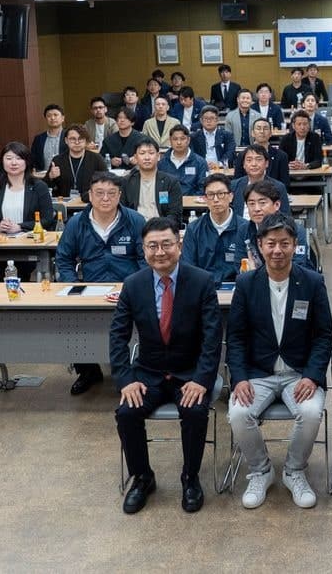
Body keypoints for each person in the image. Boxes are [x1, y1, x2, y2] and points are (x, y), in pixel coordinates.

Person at [111, 216, 222, 515]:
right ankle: (143, 477)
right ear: (144, 249)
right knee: (126, 413)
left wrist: (202, 379)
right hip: (148, 373)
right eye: (152, 246)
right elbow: (118, 336)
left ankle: (190, 477)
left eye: (166, 244)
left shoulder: (201, 281)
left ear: (179, 246)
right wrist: (126, 380)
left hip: (190, 373)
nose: (160, 252)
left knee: (196, 411)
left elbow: (213, 338)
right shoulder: (133, 285)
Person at [227, 213, 332, 509]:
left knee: (311, 412)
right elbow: (235, 337)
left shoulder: (312, 282)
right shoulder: (246, 283)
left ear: (294, 245)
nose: (277, 250)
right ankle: (261, 471)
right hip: (257, 373)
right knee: (237, 414)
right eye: (270, 243)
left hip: (299, 374)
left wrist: (312, 376)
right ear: (259, 245)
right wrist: (240, 378)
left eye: (284, 243)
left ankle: (294, 470)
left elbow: (324, 335)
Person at [56, 172, 146, 395]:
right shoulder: (77, 223)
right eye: (100, 193)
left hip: (128, 287)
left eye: (111, 193)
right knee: (75, 324)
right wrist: (72, 286)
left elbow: (146, 259)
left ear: (119, 196)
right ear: (90, 195)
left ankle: (133, 371)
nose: (105, 198)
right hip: (89, 287)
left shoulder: (135, 220)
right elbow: (64, 258)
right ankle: (87, 371)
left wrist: (140, 287)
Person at [181, 173, 246, 287]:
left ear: (231, 196)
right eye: (210, 195)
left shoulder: (245, 228)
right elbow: (188, 267)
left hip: (236, 287)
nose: (216, 200)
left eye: (221, 194)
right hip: (202, 287)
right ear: (205, 199)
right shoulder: (194, 229)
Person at [235, 180, 313, 271]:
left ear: (276, 205)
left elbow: (298, 266)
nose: (256, 209)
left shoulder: (295, 230)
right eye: (251, 204)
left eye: (262, 203)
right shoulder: (244, 230)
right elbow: (239, 265)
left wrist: (255, 274)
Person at [121, 137, 182, 225]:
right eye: (142, 153)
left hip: (162, 229)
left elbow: (175, 214)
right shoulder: (126, 182)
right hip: (135, 228)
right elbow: (122, 212)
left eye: (151, 153)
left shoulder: (170, 182)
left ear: (158, 156)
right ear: (135, 157)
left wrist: (161, 228)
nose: (147, 157)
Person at [0, 141, 55, 235]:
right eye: (9, 158)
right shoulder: (0, 186)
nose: (14, 163)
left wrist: (20, 226)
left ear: (27, 162)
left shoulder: (39, 187)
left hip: (31, 242)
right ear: (2, 161)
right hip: (2, 242)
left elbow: (48, 219)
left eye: (19, 158)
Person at [47, 124, 107, 200]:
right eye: (73, 139)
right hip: (64, 205)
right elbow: (45, 186)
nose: (77, 142)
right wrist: (50, 177)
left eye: (80, 138)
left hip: (90, 203)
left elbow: (107, 182)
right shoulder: (57, 160)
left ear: (86, 141)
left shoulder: (96, 159)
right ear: (66, 140)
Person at [231, 145, 290, 217]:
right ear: (244, 165)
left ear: (266, 163)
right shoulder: (234, 186)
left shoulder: (278, 187)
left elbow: (286, 217)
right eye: (249, 160)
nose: (254, 164)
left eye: (258, 159)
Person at [233, 118, 290, 187]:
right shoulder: (242, 155)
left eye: (265, 129)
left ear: (270, 133)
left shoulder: (281, 156)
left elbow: (285, 184)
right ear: (253, 133)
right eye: (258, 128)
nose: (262, 131)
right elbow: (237, 182)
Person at [158, 125, 208, 196]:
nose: (179, 142)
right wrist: (165, 204)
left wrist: (190, 202)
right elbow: (160, 188)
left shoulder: (200, 162)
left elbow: (202, 188)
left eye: (182, 139)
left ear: (188, 140)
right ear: (170, 141)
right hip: (168, 205)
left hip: (192, 205)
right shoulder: (162, 163)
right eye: (175, 139)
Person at [190, 105, 236, 169]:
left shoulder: (227, 135)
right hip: (200, 169)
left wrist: (219, 164)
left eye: (211, 118)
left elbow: (230, 153)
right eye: (206, 118)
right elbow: (192, 155)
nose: (209, 121)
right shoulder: (193, 137)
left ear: (217, 120)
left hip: (221, 168)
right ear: (201, 120)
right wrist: (203, 164)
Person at [100, 107, 144, 171]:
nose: (122, 120)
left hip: (136, 173)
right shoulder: (108, 140)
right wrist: (110, 161)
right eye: (119, 118)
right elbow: (101, 159)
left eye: (126, 118)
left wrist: (138, 160)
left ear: (132, 122)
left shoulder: (142, 139)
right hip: (114, 174)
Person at [31, 104, 68, 172]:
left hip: (66, 177)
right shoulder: (38, 139)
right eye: (49, 116)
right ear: (45, 119)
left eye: (55, 115)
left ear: (63, 118)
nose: (52, 118)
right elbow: (33, 160)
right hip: (44, 177)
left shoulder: (69, 136)